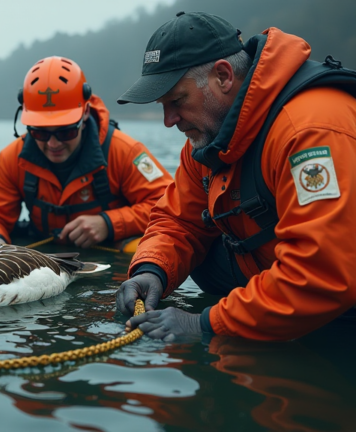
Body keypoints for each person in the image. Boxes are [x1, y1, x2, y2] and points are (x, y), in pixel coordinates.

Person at [115, 11, 356, 340]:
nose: (168, 120)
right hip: (271, 275)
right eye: (161, 105)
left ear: (224, 76)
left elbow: (324, 272)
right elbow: (178, 221)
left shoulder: (310, 132)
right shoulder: (206, 139)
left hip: (336, 295)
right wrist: (151, 269)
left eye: (177, 100)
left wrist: (205, 325)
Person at [0, 56, 173, 250]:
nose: (53, 143)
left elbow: (168, 205)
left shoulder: (123, 152)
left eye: (65, 131)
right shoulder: (11, 159)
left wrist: (109, 223)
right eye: (39, 132)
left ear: (85, 113)